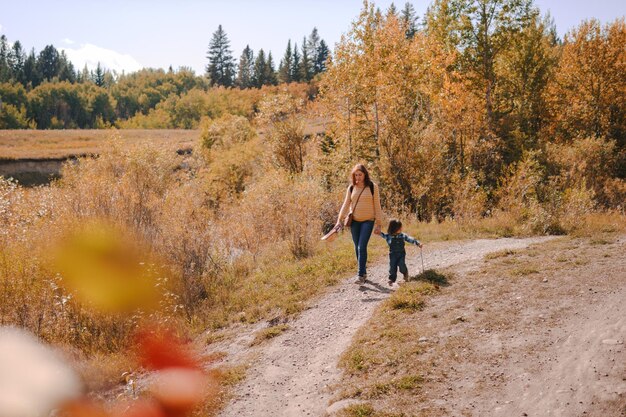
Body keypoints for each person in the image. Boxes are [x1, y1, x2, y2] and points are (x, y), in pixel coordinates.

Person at [336, 164, 383, 283]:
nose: (358, 177)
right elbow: (346, 204)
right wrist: (339, 220)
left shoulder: (372, 187)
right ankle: (363, 273)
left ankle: (360, 275)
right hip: (355, 222)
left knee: (362, 246)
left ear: (365, 174)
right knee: (357, 248)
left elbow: (377, 206)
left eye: (360, 174)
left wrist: (379, 223)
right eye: (356, 175)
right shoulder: (351, 188)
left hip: (368, 221)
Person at [380, 219, 423, 286]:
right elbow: (383, 235)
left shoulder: (402, 235)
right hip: (392, 254)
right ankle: (392, 279)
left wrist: (418, 243)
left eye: (401, 227)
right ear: (394, 228)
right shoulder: (389, 236)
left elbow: (410, 239)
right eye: (399, 227)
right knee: (392, 267)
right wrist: (378, 232)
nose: (401, 229)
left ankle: (405, 274)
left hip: (401, 254)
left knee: (402, 265)